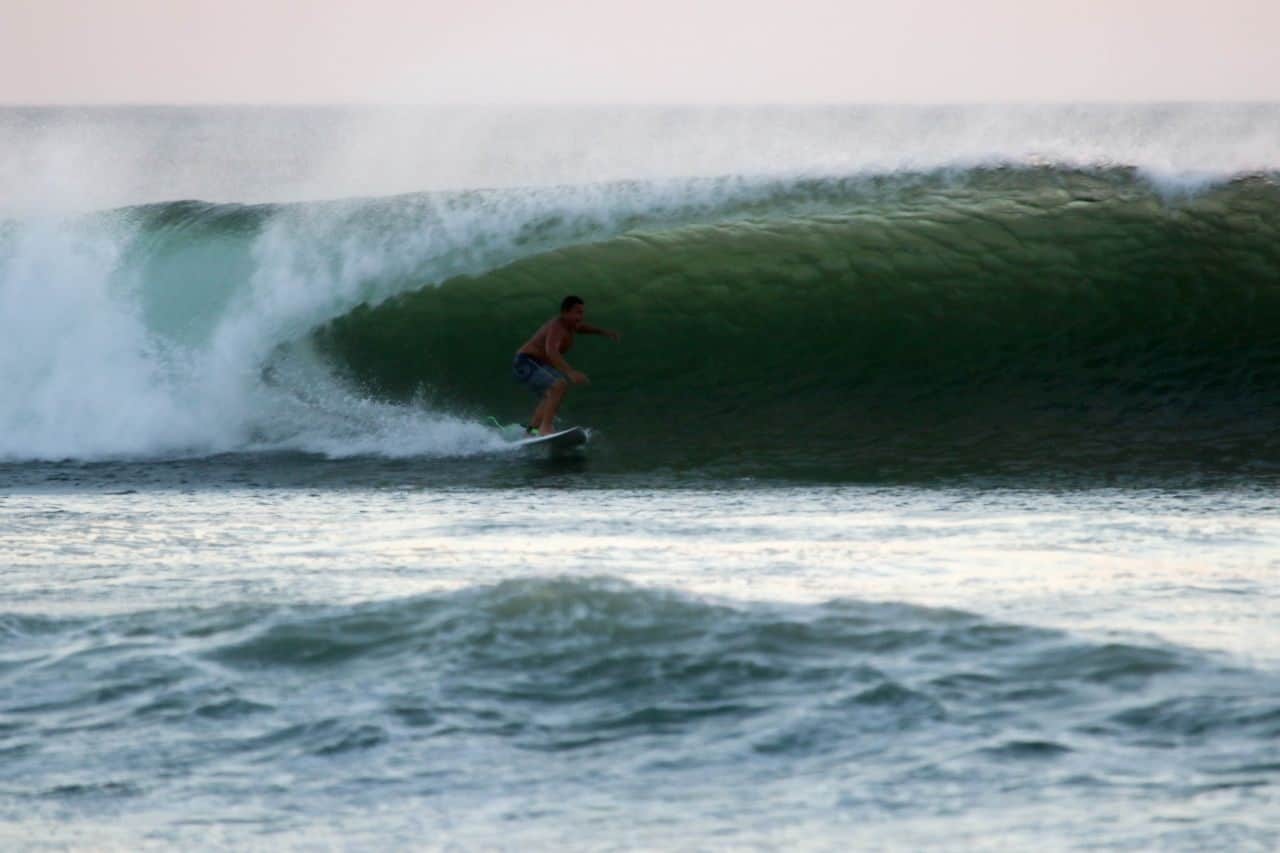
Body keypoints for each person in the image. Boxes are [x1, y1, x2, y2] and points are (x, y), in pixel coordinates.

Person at [511, 295, 621, 436]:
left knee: (550, 394)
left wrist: (603, 332)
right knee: (559, 385)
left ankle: (531, 431)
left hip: (534, 364)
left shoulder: (570, 325)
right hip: (525, 362)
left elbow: (582, 328)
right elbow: (550, 350)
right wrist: (570, 372)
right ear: (565, 312)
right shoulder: (557, 326)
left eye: (582, 312)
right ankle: (545, 429)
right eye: (578, 312)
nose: (581, 316)